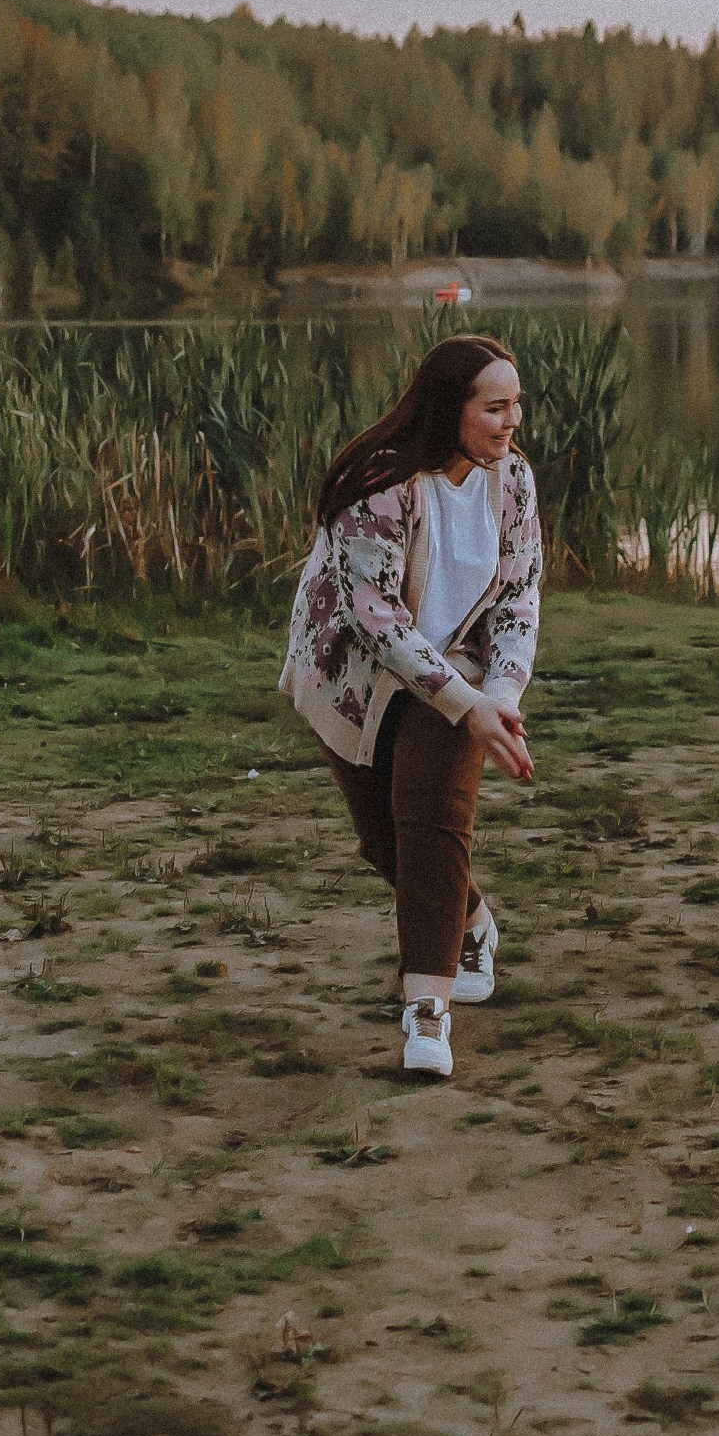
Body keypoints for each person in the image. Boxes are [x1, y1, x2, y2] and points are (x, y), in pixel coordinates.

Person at [282, 334, 541, 1080]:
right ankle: (469, 918)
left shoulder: (512, 480)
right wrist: (468, 704)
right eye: (494, 408)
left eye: (515, 405)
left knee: (432, 825)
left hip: (452, 665)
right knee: (381, 840)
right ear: (448, 410)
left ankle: (426, 1015)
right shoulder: (382, 483)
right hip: (355, 672)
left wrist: (495, 697)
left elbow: (519, 596)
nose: (510, 421)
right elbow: (376, 620)